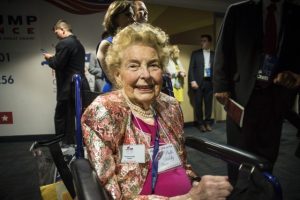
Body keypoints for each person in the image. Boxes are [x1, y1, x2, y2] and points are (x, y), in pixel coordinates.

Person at [81, 23, 232, 200]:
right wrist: (191, 198)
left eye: (153, 65)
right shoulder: (104, 112)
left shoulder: (170, 106)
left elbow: (181, 164)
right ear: (117, 75)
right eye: (134, 66)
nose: (146, 75)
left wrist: (196, 184)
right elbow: (111, 195)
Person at [213, 0, 300, 183]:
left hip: (277, 96)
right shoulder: (238, 10)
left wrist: (296, 74)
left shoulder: (295, 12)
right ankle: (238, 191)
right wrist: (221, 85)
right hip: (241, 96)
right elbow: (223, 48)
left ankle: (263, 189)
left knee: (268, 153)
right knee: (238, 152)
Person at [43, 19, 90, 144]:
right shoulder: (78, 44)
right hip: (80, 85)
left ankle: (64, 144)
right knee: (79, 116)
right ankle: (82, 143)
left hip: (68, 87)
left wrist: (49, 58)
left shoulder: (63, 43)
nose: (56, 36)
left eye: (56, 32)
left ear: (63, 30)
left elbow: (58, 64)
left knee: (62, 117)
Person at [96, 0, 134, 93]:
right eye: (128, 15)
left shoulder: (132, 43)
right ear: (115, 17)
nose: (133, 19)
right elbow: (115, 80)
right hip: (116, 94)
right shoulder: (106, 44)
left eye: (133, 15)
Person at [188, 34, 214, 132]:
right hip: (198, 83)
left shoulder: (214, 54)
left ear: (209, 42)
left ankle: (207, 123)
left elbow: (217, 69)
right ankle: (200, 124)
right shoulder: (195, 53)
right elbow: (191, 68)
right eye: (201, 41)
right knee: (198, 104)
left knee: (208, 104)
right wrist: (192, 81)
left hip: (209, 82)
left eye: (204, 41)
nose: (202, 42)